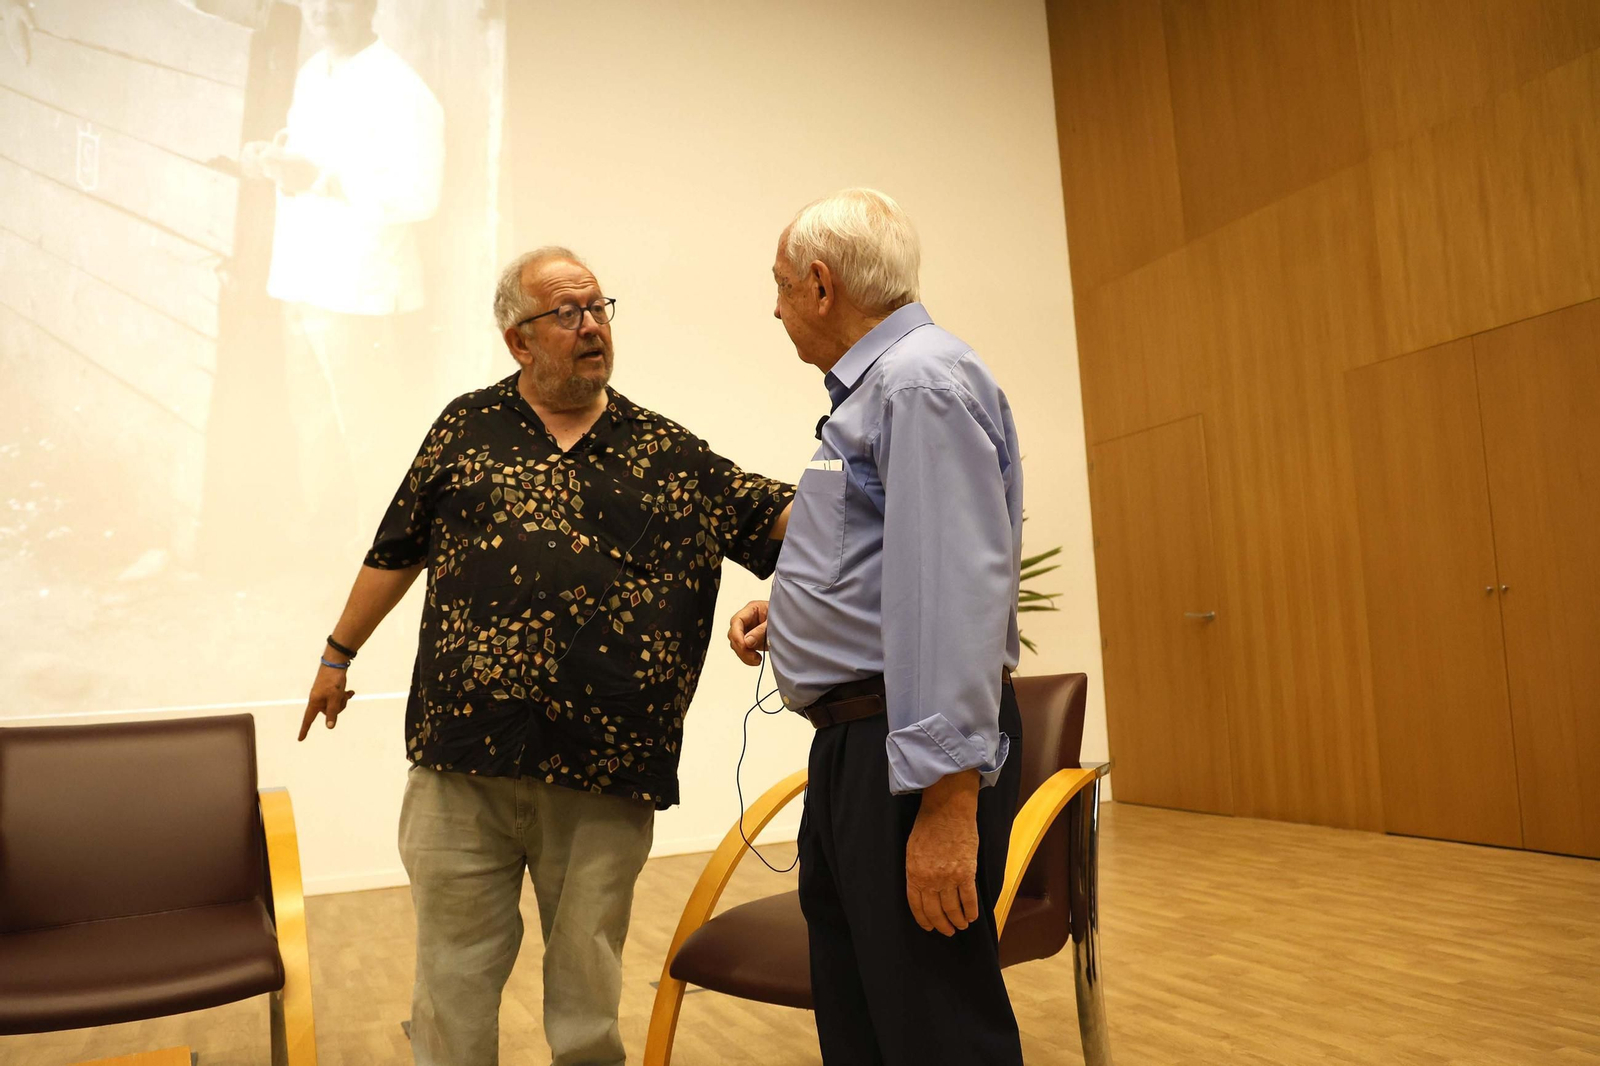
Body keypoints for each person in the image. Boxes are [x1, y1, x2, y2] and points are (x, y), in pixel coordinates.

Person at [300, 248, 794, 1066]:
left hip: (607, 765)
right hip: (462, 758)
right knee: (451, 980)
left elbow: (782, 519)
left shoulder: (667, 452)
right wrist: (336, 654)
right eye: (567, 313)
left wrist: (843, 529)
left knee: (587, 991)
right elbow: (397, 548)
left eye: (598, 307)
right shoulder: (466, 427)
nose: (591, 325)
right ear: (518, 341)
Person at [727, 189, 1027, 1065]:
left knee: (934, 1029)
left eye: (781, 285)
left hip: (905, 753)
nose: (775, 308)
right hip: (860, 747)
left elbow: (954, 595)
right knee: (863, 1020)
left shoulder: (917, 384)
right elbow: (890, 559)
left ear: (822, 286)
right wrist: (794, 612)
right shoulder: (883, 388)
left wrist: (947, 803)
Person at [240, 0, 445, 543]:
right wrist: (274, 158)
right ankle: (326, 552)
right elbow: (309, 160)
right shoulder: (314, 73)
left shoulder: (402, 90)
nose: (323, 9)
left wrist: (325, 180)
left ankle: (381, 558)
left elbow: (420, 194)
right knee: (314, 425)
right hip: (303, 278)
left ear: (369, 5)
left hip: (358, 288)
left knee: (369, 433)